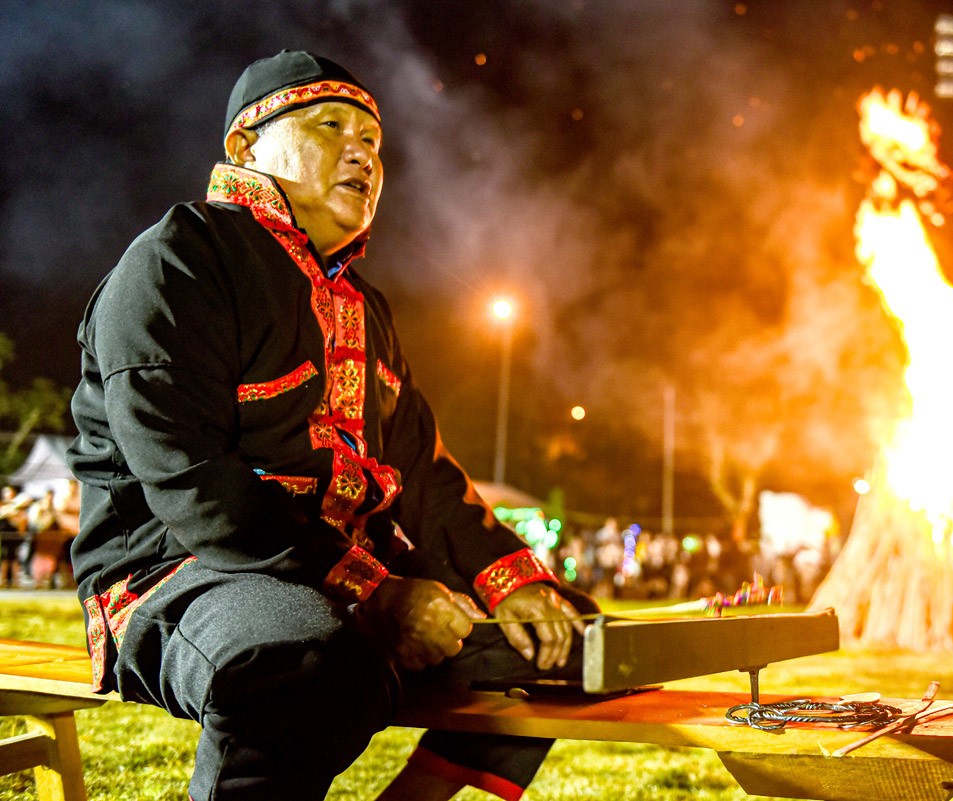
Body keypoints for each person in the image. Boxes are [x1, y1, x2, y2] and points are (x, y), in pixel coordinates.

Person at [68, 51, 593, 801]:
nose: (363, 155)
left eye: (374, 143)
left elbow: (426, 476)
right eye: (328, 126)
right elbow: (190, 479)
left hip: (339, 583)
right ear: (246, 149)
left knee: (571, 645)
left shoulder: (366, 306)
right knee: (308, 658)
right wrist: (376, 594)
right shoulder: (178, 258)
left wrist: (510, 583)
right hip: (173, 574)